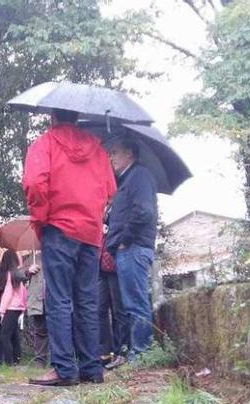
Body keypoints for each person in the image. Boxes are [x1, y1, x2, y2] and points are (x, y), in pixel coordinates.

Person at [22, 108, 117, 386]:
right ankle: (91, 368)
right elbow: (110, 189)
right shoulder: (97, 149)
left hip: (59, 228)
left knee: (59, 299)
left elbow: (34, 183)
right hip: (90, 233)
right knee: (87, 300)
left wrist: (41, 218)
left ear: (53, 117)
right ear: (77, 118)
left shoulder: (45, 143)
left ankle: (63, 368)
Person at [105, 136, 158, 362]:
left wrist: (125, 239)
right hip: (126, 249)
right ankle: (134, 352)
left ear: (130, 153)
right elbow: (127, 212)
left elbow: (144, 212)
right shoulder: (126, 181)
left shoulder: (139, 176)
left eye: (115, 152)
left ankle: (141, 354)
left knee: (136, 302)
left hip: (134, 248)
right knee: (129, 303)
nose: (111, 157)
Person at [98, 216, 129, 370]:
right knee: (99, 309)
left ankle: (121, 351)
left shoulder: (119, 207)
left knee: (119, 310)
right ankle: (104, 352)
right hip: (100, 265)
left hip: (116, 263)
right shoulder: (103, 210)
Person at [0, 250, 32, 366]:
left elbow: (7, 294)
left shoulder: (9, 275)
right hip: (18, 308)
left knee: (5, 336)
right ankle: (16, 359)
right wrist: (23, 307)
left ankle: (9, 362)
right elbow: (24, 293)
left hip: (10, 308)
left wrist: (2, 311)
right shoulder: (18, 275)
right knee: (14, 334)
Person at [24, 252, 48, 365]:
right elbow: (17, 274)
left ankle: (59, 359)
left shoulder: (59, 254)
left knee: (59, 328)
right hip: (38, 299)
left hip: (56, 299)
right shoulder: (34, 258)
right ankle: (40, 360)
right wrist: (28, 270)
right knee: (40, 330)